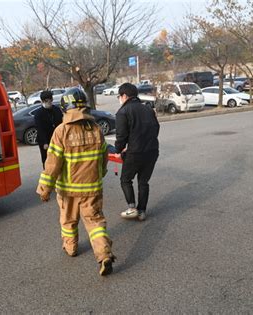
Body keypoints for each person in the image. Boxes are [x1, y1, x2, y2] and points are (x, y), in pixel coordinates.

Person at [36, 88, 115, 276]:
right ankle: (104, 255)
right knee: (95, 223)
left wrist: (44, 188)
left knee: (68, 221)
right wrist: (99, 174)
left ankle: (71, 249)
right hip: (92, 189)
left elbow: (53, 163)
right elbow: (104, 156)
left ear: (65, 108)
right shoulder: (96, 129)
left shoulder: (61, 131)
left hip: (68, 190)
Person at [115, 83, 160, 221]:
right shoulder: (148, 109)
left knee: (125, 180)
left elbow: (121, 136)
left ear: (124, 96)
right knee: (143, 182)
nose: (119, 99)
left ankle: (131, 208)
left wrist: (118, 150)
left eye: (119, 96)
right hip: (152, 151)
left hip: (135, 153)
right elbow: (156, 129)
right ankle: (142, 211)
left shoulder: (123, 112)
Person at [34, 90, 63, 168]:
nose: (48, 102)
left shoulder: (57, 110)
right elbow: (39, 129)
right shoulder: (38, 113)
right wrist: (44, 142)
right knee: (47, 159)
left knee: (59, 158)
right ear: (42, 101)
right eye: (46, 101)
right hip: (45, 140)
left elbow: (61, 124)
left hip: (57, 138)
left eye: (50, 100)